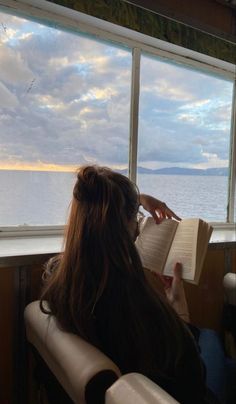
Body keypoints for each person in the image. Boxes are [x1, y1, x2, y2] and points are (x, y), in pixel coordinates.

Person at [40, 165, 220, 404]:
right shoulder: (136, 307)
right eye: (135, 218)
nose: (137, 229)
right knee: (210, 339)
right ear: (123, 228)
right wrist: (180, 312)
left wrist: (136, 200)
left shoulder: (60, 279)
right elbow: (194, 383)